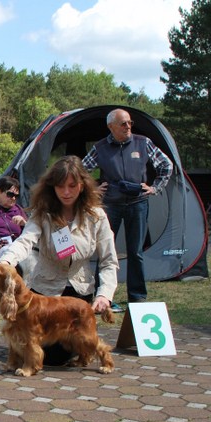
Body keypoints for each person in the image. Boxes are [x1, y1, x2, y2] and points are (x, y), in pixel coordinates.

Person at [0, 155, 118, 364]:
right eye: (60, 186)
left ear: (82, 185)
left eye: (72, 186)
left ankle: (80, 348)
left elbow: (108, 261)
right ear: (52, 187)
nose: (66, 192)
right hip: (45, 290)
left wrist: (104, 295)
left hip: (78, 292)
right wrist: (6, 262)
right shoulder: (43, 214)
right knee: (48, 356)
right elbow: (24, 241)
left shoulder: (97, 216)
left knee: (66, 350)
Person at [83, 108, 173, 307]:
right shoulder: (100, 148)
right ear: (111, 126)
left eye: (130, 123)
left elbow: (166, 165)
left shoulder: (143, 142)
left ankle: (137, 296)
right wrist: (93, 188)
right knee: (105, 251)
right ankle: (102, 296)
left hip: (138, 203)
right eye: (123, 123)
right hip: (110, 205)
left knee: (136, 251)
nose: (128, 127)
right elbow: (80, 171)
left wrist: (155, 188)